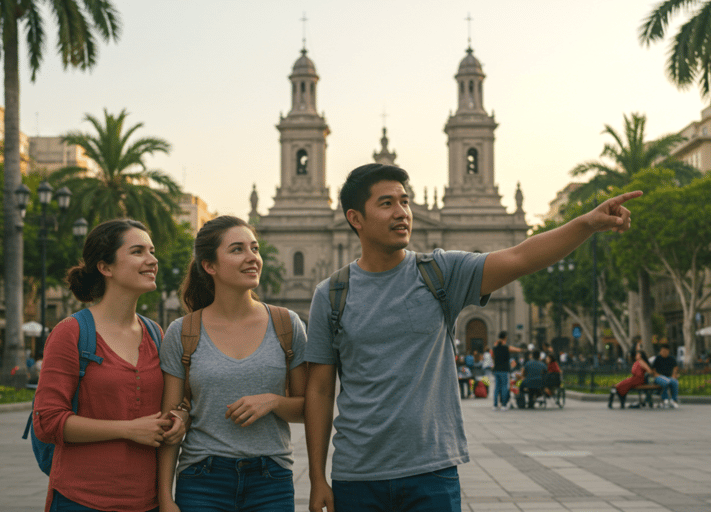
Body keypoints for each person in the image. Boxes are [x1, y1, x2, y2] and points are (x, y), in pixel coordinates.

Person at [304, 163, 640, 512]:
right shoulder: (331, 294)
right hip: (357, 478)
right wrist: (317, 478)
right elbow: (320, 389)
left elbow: (520, 256)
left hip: (431, 474)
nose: (402, 212)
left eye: (405, 202)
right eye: (386, 203)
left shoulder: (440, 273)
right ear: (355, 218)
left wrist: (586, 223)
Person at [33, 219, 186, 512]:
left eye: (152, 251)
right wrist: (127, 429)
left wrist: (180, 418)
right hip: (81, 500)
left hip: (147, 502)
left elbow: (169, 404)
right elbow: (47, 421)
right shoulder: (72, 332)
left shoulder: (156, 333)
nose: (152, 260)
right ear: (106, 267)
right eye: (138, 251)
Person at [157, 215, 307, 512]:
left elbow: (307, 408)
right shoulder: (183, 332)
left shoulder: (287, 325)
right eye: (237, 249)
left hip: (271, 480)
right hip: (202, 480)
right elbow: (169, 421)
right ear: (209, 266)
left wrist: (273, 401)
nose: (252, 258)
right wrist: (164, 496)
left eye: (255, 248)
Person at [492, 331, 522, 412]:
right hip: (504, 370)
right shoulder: (506, 347)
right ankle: (503, 405)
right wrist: (521, 349)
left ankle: (495, 405)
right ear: (505, 337)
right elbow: (516, 350)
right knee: (504, 387)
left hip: (496, 369)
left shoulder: (495, 347)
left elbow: (492, 356)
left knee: (497, 387)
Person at [652, 344, 679, 408]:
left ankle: (673, 400)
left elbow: (675, 367)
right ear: (660, 351)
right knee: (665, 382)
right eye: (662, 351)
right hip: (659, 377)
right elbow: (653, 369)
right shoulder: (658, 358)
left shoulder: (671, 358)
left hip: (669, 377)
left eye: (665, 351)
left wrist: (674, 375)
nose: (664, 353)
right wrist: (656, 375)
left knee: (675, 382)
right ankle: (665, 399)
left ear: (668, 351)